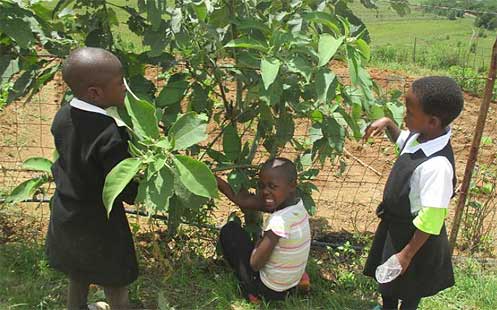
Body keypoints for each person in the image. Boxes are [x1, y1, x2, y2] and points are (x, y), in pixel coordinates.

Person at [45, 47, 138, 310]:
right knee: (115, 275)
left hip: (67, 213)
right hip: (101, 222)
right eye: (120, 82)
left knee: (78, 270)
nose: (125, 87)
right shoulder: (111, 134)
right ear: (95, 93)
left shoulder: (62, 116)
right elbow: (122, 185)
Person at [363, 76, 464, 309]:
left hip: (417, 237)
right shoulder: (421, 137)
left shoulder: (437, 166)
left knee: (410, 286)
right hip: (396, 226)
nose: (405, 116)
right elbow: (402, 141)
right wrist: (388, 123)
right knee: (388, 281)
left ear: (432, 121)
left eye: (409, 112)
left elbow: (432, 218)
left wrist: (406, 254)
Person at [217, 158, 311, 303]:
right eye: (261, 186)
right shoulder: (297, 206)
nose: (265, 191)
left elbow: (255, 264)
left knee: (230, 231)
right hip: (291, 284)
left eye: (272, 186)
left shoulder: (278, 222)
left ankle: (254, 294)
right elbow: (243, 200)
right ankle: (298, 282)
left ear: (292, 185)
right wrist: (213, 179)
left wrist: (258, 244)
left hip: (269, 291)